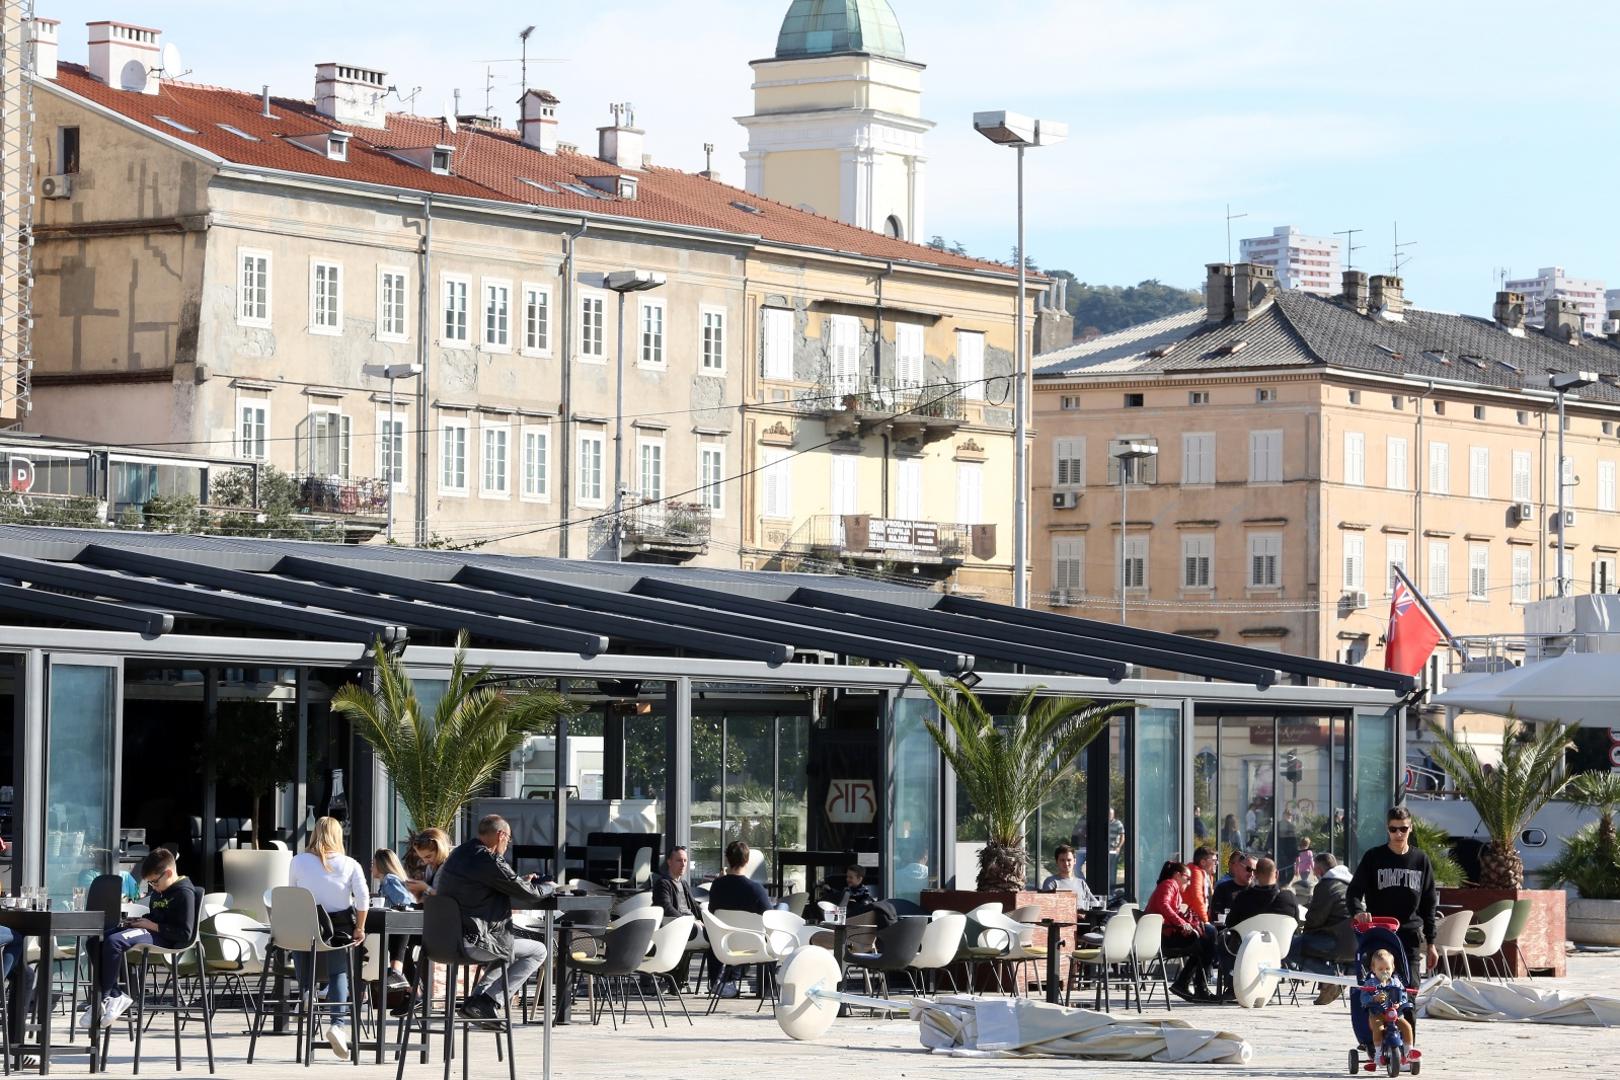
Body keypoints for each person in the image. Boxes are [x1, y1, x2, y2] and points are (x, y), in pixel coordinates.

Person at [434, 814, 556, 1021]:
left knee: (505, 946)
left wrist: (519, 881)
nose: (508, 845)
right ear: (501, 835)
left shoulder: (459, 854)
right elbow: (530, 894)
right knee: (538, 951)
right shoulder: (488, 859)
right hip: (472, 941)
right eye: (508, 839)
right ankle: (489, 1001)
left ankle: (476, 1001)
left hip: (444, 943)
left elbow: (487, 885)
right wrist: (549, 887)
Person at [78, 848, 202, 1032]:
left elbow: (185, 933)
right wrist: (138, 921)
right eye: (150, 883)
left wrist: (151, 925)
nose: (153, 887)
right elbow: (157, 915)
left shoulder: (184, 892)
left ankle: (105, 998)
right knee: (94, 941)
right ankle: (112, 995)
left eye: (155, 882)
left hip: (166, 938)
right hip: (151, 931)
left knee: (114, 942)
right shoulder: (160, 891)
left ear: (168, 873)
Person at [288, 817, 368, 1060]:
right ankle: (337, 1025)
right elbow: (363, 898)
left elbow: (292, 895)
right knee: (338, 974)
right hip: (337, 930)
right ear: (338, 835)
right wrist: (360, 928)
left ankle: (306, 992)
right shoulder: (350, 864)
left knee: (299, 939)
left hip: (306, 928)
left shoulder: (298, 861)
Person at [1346, 805, 1438, 979]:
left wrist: (1431, 942)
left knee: (1411, 987)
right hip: (1380, 932)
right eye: (1393, 829)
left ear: (1410, 828)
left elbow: (1429, 903)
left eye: (1403, 829)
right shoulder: (1373, 857)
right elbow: (1353, 892)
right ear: (1387, 829)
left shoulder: (1421, 860)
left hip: (1410, 934)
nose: (1398, 834)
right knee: (1380, 988)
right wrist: (1358, 912)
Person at [707, 840, 770, 998]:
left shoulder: (717, 886)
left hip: (724, 942)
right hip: (754, 944)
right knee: (780, 915)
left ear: (727, 859)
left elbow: (712, 912)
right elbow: (771, 918)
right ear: (747, 860)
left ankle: (721, 981)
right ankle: (768, 988)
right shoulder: (756, 890)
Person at [1146, 862, 1216, 1002]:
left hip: (1165, 934)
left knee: (1207, 938)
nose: (1189, 883)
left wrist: (1188, 924)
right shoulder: (1169, 884)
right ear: (1177, 875)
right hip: (1165, 937)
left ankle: (1188, 984)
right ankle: (1195, 986)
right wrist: (1182, 923)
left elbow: (1169, 909)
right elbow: (1164, 905)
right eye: (1187, 878)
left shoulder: (1169, 886)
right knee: (1209, 936)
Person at [1291, 852, 1353, 1001]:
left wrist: (1305, 935)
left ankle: (1331, 977)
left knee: (1291, 947)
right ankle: (1341, 976)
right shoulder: (1352, 884)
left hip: (1336, 942)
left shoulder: (1326, 886)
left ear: (1318, 870)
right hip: (1356, 944)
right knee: (1310, 945)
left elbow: (1315, 919)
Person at [1360, 948, 1415, 1065]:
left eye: (1387, 969)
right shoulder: (1370, 983)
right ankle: (1378, 1053)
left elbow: (1404, 996)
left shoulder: (1397, 983)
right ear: (1373, 969)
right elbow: (1363, 998)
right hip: (1377, 1014)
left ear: (1393, 968)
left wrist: (1400, 1003)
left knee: (1407, 1027)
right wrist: (1374, 998)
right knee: (1378, 1028)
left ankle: (1409, 1052)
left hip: (1395, 1014)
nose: (1384, 972)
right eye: (1380, 969)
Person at [1224, 857, 1301, 928]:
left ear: (1255, 874)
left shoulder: (1243, 898)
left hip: (1249, 938)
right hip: (1281, 938)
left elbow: (1230, 924)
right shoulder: (1289, 898)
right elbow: (1296, 925)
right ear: (1277, 874)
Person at [1040, 844, 1099, 909]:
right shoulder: (1051, 882)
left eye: (1069, 860)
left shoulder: (1081, 883)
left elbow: (1096, 903)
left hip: (1084, 915)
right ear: (1057, 862)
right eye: (1062, 860)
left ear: (1075, 861)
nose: (1066, 863)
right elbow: (1048, 908)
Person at [403, 827, 451, 901]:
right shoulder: (430, 868)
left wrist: (426, 888)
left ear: (440, 849)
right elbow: (424, 900)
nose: (425, 862)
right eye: (422, 858)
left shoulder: (452, 866)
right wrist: (417, 893)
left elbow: (447, 898)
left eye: (428, 856)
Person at [1210, 851, 1254, 921]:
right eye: (1249, 869)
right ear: (1238, 867)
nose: (1252, 874)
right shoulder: (1222, 888)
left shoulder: (1258, 890)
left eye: (1255, 871)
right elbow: (1216, 915)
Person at [1186, 846, 1217, 925]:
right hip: (1191, 920)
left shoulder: (1208, 876)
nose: (1217, 863)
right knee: (1212, 930)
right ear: (1203, 862)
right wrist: (1206, 920)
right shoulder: (1196, 873)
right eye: (1214, 860)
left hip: (1196, 918)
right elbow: (1197, 898)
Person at [1105, 808, 1125, 889]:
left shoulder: (1118, 823)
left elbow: (1122, 837)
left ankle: (1112, 890)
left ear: (1113, 814)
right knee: (1105, 870)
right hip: (1105, 850)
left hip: (1113, 850)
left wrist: (1118, 847)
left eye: (1110, 814)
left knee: (1112, 870)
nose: (1109, 815)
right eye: (1108, 814)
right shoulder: (1105, 823)